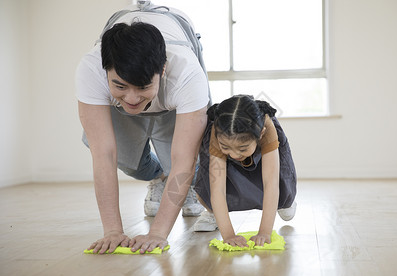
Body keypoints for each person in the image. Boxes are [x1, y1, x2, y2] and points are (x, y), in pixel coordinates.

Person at [75, 2, 209, 254]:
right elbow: (104, 154)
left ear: (163, 70)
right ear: (105, 72)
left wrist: (158, 232)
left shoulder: (187, 75)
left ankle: (184, 190)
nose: (133, 98)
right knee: (129, 163)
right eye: (121, 86)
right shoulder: (91, 69)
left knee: (192, 163)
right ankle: (159, 178)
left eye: (143, 87)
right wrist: (113, 231)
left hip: (174, 85)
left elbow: (184, 162)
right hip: (129, 87)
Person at [193, 94, 297, 247]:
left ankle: (284, 203)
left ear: (260, 134)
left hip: (266, 160)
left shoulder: (266, 129)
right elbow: (218, 190)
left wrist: (264, 232)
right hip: (222, 153)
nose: (234, 155)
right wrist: (228, 235)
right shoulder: (219, 133)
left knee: (281, 189)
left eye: (242, 148)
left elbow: (271, 183)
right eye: (226, 148)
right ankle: (214, 214)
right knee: (208, 186)